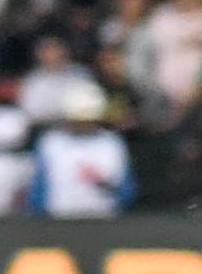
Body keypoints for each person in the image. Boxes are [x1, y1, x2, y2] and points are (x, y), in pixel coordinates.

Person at [28, 80, 131, 217]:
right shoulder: (51, 143)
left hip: (103, 219)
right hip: (59, 220)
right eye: (78, 121)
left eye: (87, 121)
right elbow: (39, 189)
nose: (82, 126)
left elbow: (126, 191)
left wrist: (108, 186)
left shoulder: (111, 143)